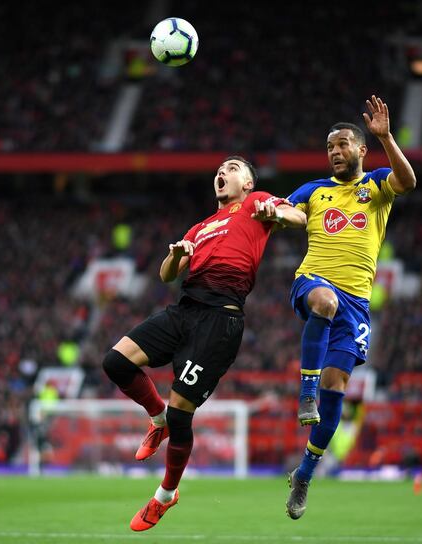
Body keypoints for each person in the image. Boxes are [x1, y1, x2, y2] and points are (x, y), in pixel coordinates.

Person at [101, 156, 306, 532]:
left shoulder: (257, 202)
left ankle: (166, 494)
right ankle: (156, 416)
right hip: (184, 309)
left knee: (183, 415)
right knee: (115, 362)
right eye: (219, 170)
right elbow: (167, 276)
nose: (222, 173)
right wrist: (176, 256)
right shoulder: (201, 226)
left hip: (220, 320)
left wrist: (274, 213)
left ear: (247, 183)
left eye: (232, 168)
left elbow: (300, 218)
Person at [273, 95, 417, 519]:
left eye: (342, 145)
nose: (335, 152)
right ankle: (305, 392)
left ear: (360, 149)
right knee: (324, 301)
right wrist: (278, 212)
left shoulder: (375, 185)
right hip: (313, 282)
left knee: (338, 389)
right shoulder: (313, 190)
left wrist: (388, 136)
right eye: (330, 147)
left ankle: (304, 474)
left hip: (356, 305)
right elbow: (291, 213)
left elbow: (408, 182)